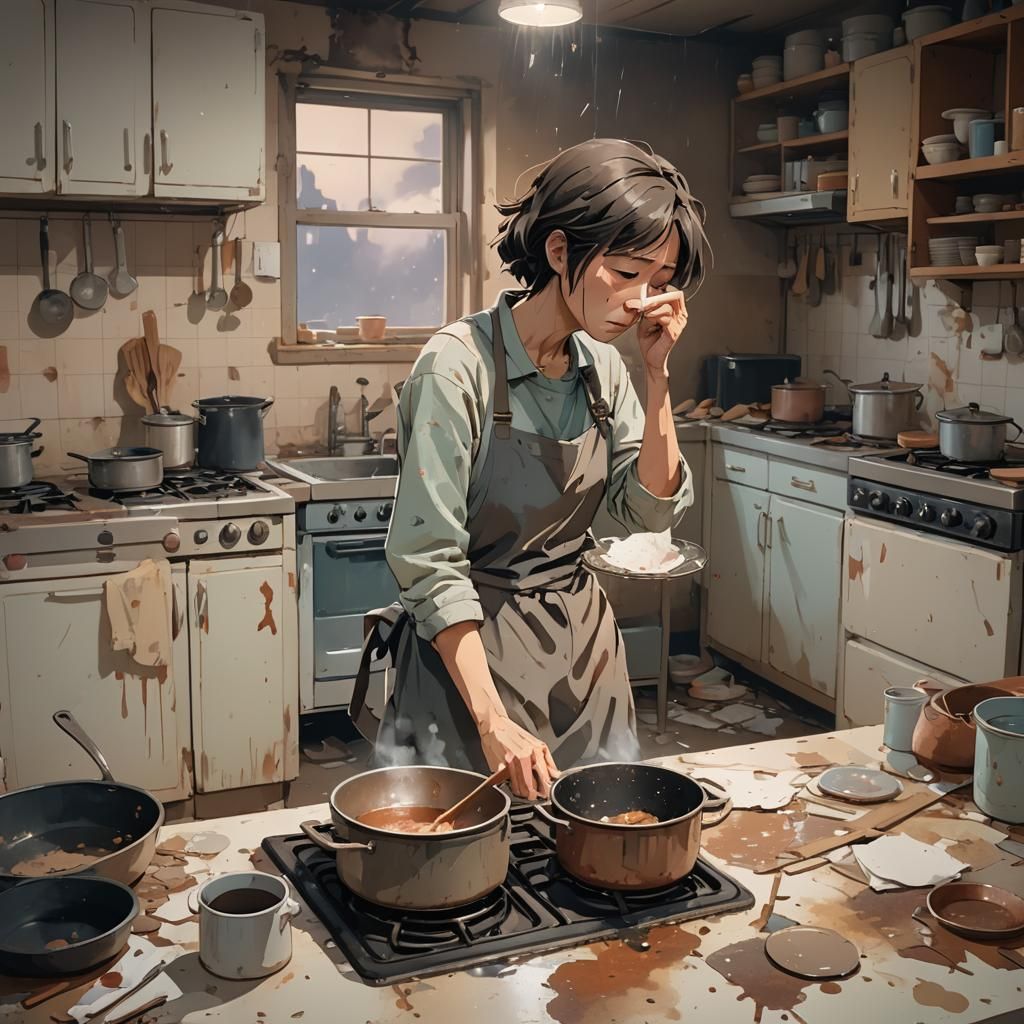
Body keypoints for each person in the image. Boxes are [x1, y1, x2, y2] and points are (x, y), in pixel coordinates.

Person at [354, 138, 709, 801]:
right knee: (465, 866)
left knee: (605, 844)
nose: (640, 302)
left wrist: (657, 374)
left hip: (585, 660)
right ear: (558, 251)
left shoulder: (602, 369)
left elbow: (649, 513)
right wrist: (493, 722)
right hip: (471, 666)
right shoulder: (457, 367)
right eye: (626, 273)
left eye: (657, 283)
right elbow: (427, 560)